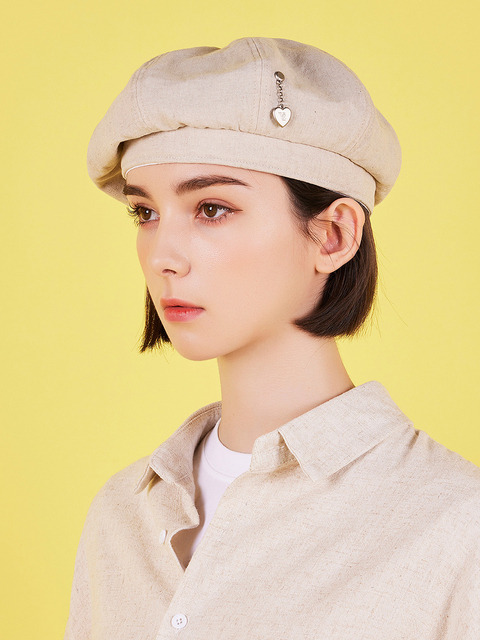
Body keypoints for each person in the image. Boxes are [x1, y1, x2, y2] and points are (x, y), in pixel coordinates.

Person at [64, 37, 480, 639]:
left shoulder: (456, 527)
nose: (161, 257)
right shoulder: (122, 513)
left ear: (333, 235)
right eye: (145, 213)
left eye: (211, 208)